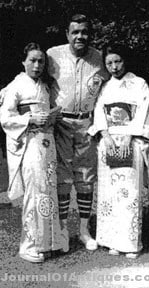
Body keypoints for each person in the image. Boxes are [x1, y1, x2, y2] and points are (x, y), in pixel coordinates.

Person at [88, 42, 149, 258]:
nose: (114, 67)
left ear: (125, 61)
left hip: (131, 141)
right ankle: (111, 241)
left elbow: (144, 111)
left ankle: (131, 243)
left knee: (129, 194)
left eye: (118, 61)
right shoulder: (105, 87)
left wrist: (129, 135)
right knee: (108, 194)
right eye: (109, 63)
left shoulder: (139, 84)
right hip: (108, 142)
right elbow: (99, 111)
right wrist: (105, 135)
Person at [47, 14, 108, 251]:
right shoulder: (53, 54)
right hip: (61, 124)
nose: (80, 36)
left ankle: (83, 230)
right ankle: (62, 230)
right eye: (75, 32)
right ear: (67, 34)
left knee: (85, 177)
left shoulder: (99, 58)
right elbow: (35, 74)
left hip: (87, 125)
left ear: (89, 34)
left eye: (84, 31)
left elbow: (114, 81)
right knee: (62, 178)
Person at [0, 42, 64, 262]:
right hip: (29, 144)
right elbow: (5, 118)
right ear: (23, 62)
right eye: (32, 60)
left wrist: (52, 117)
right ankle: (29, 245)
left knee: (49, 191)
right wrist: (30, 118)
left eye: (41, 61)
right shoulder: (15, 87)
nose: (37, 65)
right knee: (34, 193)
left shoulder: (44, 87)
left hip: (47, 143)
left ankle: (50, 241)